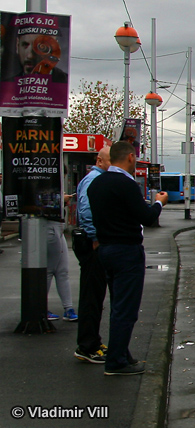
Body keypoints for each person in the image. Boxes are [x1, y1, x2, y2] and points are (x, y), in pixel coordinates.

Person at [89, 141, 167, 376]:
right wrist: (158, 203)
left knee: (117, 305)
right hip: (126, 251)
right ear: (130, 158)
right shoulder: (126, 184)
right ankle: (116, 362)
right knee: (126, 309)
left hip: (105, 249)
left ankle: (121, 353)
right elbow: (147, 217)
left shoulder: (96, 183)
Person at [72, 147, 110, 364]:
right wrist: (95, 237)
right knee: (91, 295)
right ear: (99, 160)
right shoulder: (93, 180)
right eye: (110, 160)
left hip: (91, 240)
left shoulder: (96, 178)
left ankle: (93, 341)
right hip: (90, 242)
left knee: (95, 294)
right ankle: (87, 346)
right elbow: (86, 211)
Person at [45, 219, 76, 321]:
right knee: (49, 270)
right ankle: (41, 308)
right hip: (50, 225)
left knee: (62, 271)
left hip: (57, 226)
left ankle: (68, 308)